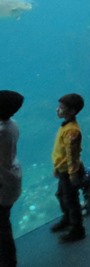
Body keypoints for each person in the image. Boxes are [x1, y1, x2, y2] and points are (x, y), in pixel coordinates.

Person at [50, 93, 85, 243]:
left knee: (72, 200)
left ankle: (77, 229)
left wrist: (72, 174)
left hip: (70, 171)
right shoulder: (66, 126)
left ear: (72, 111)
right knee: (61, 195)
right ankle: (67, 219)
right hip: (63, 169)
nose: (57, 110)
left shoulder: (72, 131)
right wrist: (57, 167)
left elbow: (72, 155)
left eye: (61, 108)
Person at [0, 90, 23, 264]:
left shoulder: (2, 131)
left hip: (3, 183)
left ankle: (8, 262)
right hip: (11, 177)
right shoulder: (12, 124)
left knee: (2, 227)